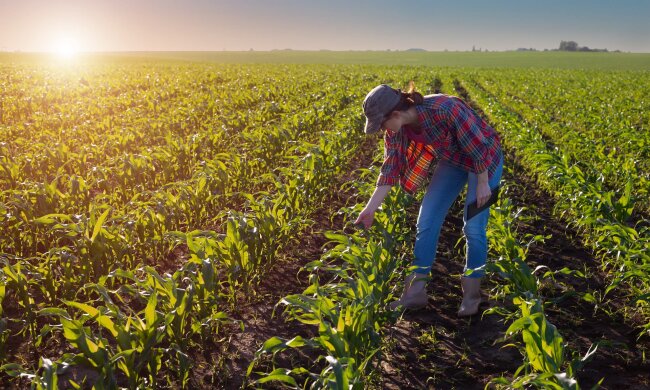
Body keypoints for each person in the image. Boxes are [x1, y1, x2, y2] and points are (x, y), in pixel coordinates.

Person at [354, 83, 503, 317]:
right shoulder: (396, 130)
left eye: (382, 124)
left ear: (395, 114)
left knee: (473, 227)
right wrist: (370, 209)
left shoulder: (445, 108)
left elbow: (478, 147)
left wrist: (483, 183)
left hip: (485, 160)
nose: (383, 129)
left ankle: (472, 294)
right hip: (453, 161)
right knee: (427, 220)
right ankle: (415, 292)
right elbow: (390, 169)